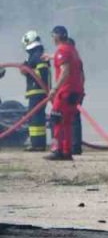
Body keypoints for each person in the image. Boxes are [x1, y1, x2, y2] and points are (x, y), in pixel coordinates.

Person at [46, 25, 84, 162]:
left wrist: (54, 89)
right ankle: (67, 151)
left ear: (56, 36)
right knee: (67, 122)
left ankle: (57, 150)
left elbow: (65, 71)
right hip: (76, 91)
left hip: (65, 92)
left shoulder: (62, 50)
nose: (52, 39)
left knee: (55, 119)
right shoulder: (72, 50)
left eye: (53, 36)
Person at [20, 30, 50, 152]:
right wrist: (25, 68)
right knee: (37, 118)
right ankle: (38, 144)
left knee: (35, 119)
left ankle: (37, 145)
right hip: (38, 92)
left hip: (37, 91)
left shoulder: (37, 55)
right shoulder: (35, 55)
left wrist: (29, 71)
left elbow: (42, 72)